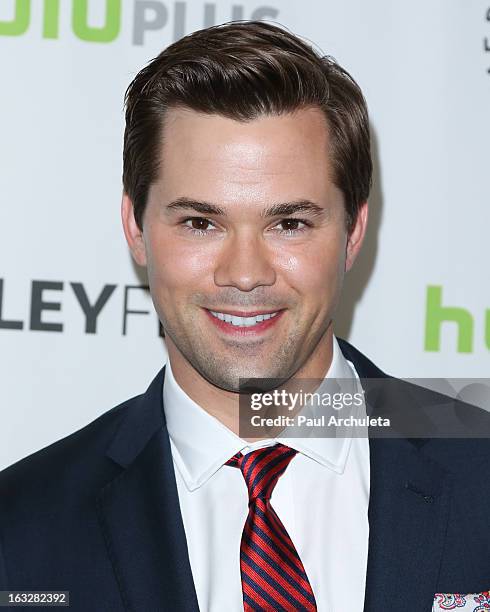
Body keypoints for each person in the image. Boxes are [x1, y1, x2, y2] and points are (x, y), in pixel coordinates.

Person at [0, 20, 489, 612]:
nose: (245, 272)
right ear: (136, 227)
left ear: (354, 231)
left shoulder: (479, 474)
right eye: (200, 223)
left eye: (290, 223)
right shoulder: (21, 525)